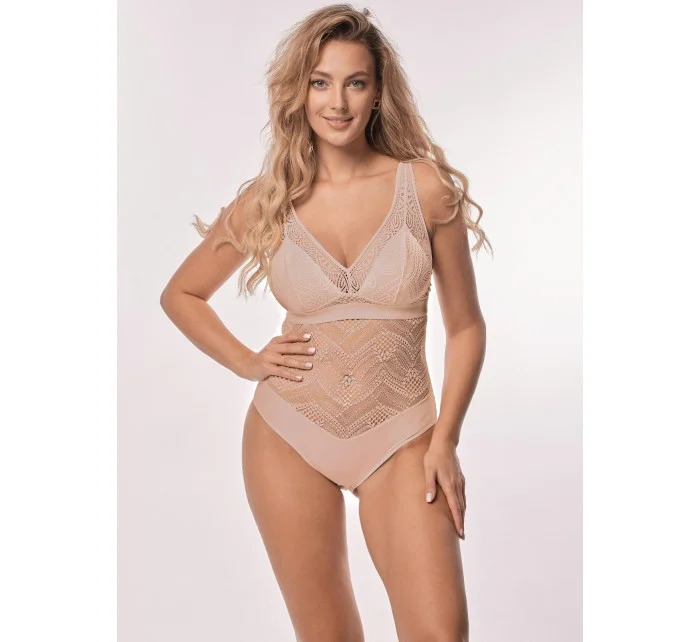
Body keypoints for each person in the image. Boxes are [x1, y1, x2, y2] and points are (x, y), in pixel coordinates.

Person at [160, 5, 491, 641]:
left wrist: (445, 439)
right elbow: (181, 294)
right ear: (300, 92)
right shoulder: (270, 199)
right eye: (321, 82)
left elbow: (467, 327)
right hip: (287, 435)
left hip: (404, 438)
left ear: (378, 93)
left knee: (440, 634)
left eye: (355, 82)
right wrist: (247, 361)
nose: (337, 102)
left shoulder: (424, 189)